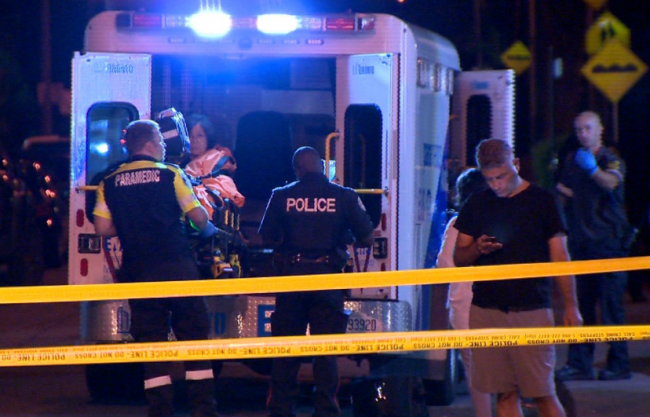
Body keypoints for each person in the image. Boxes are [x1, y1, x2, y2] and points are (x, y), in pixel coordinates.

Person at [93, 119, 220, 417]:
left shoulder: (107, 181)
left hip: (138, 273)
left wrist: (129, 225)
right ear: (150, 144)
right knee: (195, 341)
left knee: (151, 348)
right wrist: (208, 227)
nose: (165, 148)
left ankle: (160, 411)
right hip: (177, 269)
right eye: (162, 143)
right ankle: (203, 410)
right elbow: (198, 219)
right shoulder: (171, 174)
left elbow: (101, 228)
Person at [453, 138, 582, 417]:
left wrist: (571, 305)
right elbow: (458, 257)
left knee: (543, 394)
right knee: (504, 394)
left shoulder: (542, 201)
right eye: (489, 179)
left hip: (532, 309)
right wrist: (476, 249)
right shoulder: (477, 203)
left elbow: (560, 257)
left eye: (501, 176)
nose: (496, 185)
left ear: (516, 165)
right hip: (486, 310)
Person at [259, 146, 374, 417]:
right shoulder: (345, 197)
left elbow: (267, 237)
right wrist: (342, 234)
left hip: (291, 282)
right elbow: (367, 237)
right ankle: (325, 410)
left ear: (296, 170)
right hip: (327, 281)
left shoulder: (281, 195)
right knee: (326, 352)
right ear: (322, 167)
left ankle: (281, 410)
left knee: (286, 352)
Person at [555, 111, 633, 381]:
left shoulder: (609, 159)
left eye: (587, 128)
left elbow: (611, 183)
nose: (582, 134)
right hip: (581, 242)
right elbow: (564, 194)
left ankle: (619, 363)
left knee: (611, 306)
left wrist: (593, 170)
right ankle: (579, 363)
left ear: (599, 129)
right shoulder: (572, 160)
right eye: (578, 130)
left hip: (609, 242)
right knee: (582, 306)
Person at [436, 168, 493, 417]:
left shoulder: (457, 224)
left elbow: (443, 263)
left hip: (464, 308)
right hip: (500, 307)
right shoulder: (499, 220)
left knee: (476, 375)